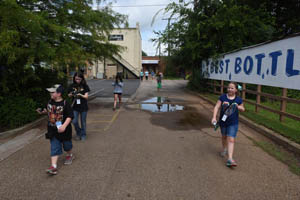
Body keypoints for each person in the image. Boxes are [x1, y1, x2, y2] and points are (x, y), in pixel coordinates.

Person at [36, 84, 74, 175]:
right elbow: (49, 111)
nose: (50, 94)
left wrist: (64, 126)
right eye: (50, 92)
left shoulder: (65, 103)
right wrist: (43, 111)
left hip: (64, 130)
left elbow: (70, 116)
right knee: (54, 146)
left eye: (53, 92)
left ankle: (69, 155)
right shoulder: (50, 102)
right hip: (52, 129)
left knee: (67, 145)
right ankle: (53, 167)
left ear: (59, 94)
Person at [211, 82, 245, 167]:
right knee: (224, 137)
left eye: (232, 88)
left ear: (236, 90)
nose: (230, 89)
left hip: (233, 123)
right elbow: (216, 107)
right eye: (229, 88)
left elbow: (243, 109)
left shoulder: (238, 99)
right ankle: (224, 149)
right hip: (223, 122)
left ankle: (230, 159)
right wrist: (214, 117)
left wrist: (238, 106)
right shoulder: (222, 97)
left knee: (231, 139)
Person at [68, 72, 90, 141]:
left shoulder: (85, 86)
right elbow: (69, 95)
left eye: (79, 79)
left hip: (83, 106)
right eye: (76, 79)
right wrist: (72, 94)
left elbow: (86, 97)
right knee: (74, 121)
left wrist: (80, 95)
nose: (77, 80)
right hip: (75, 106)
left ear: (82, 79)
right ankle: (79, 132)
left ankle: (83, 134)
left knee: (83, 122)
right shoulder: (71, 85)